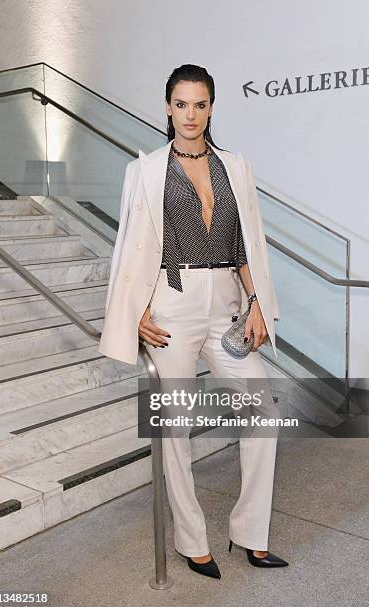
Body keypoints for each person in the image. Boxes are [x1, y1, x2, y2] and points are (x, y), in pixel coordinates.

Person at [99, 64, 288, 579]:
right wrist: (134, 310)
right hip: (172, 307)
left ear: (211, 107)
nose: (191, 114)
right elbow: (129, 248)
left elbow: (246, 241)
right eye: (181, 104)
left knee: (262, 414)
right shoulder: (145, 170)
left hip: (227, 301)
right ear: (167, 107)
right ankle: (191, 539)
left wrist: (255, 303)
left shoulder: (235, 166)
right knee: (175, 428)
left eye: (200, 104)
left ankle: (250, 534)